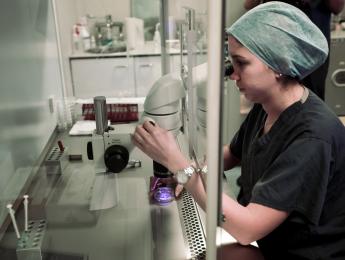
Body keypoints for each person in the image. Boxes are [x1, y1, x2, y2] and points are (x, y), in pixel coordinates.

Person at [133, 2, 345, 259]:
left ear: (278, 64)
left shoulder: (312, 137)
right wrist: (184, 175)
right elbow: (231, 155)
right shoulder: (267, 105)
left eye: (241, 63)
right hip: (270, 240)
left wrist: (176, 162)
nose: (233, 75)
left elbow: (247, 230)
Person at [244, 0, 345, 101]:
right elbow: (249, 4)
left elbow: (337, 8)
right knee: (270, 93)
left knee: (310, 97)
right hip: (276, 37)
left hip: (312, 44)